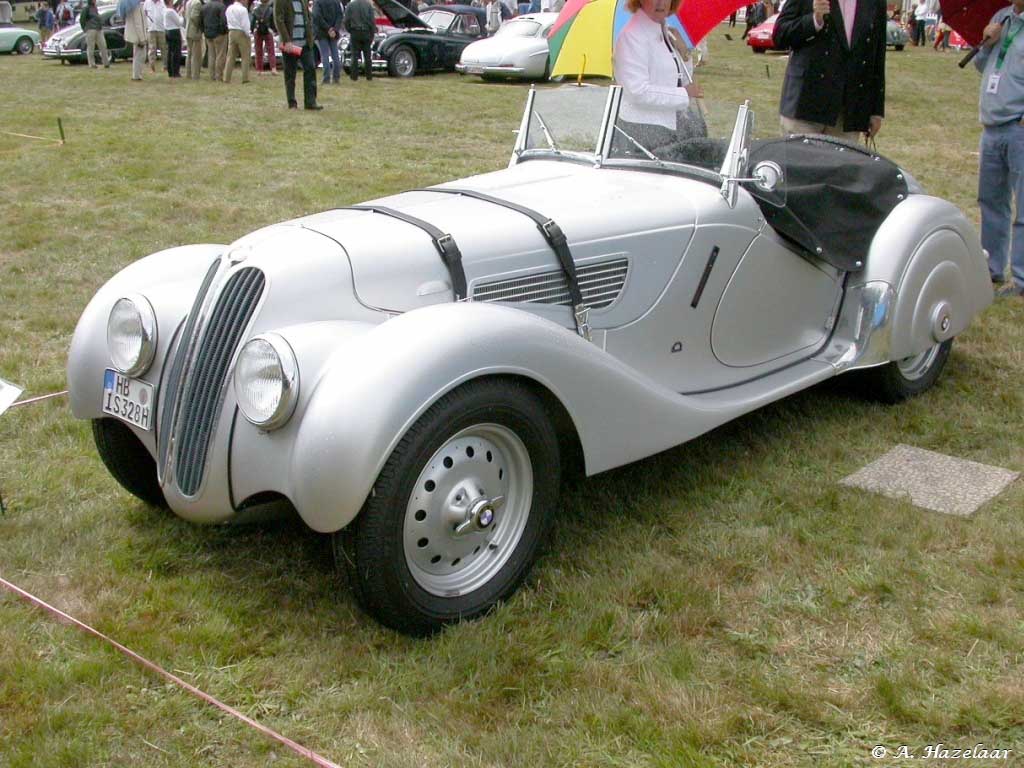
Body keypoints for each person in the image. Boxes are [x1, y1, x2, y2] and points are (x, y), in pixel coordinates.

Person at [774, 0, 886, 141]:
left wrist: (876, 111)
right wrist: (815, 19)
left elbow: (877, 54)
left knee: (841, 163)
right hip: (805, 104)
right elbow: (780, 34)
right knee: (799, 162)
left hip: (847, 111)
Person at [613, 0, 706, 161]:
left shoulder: (666, 32)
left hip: (669, 127)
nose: (661, 3)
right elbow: (638, 92)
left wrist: (684, 54)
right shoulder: (632, 36)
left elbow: (679, 79)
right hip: (642, 133)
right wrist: (684, 94)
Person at [973, 0, 1024, 296]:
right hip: (992, 126)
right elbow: (982, 66)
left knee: (1023, 208)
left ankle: (1021, 279)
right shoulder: (1001, 17)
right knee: (991, 201)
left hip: (1018, 127)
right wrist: (986, 41)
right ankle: (991, 269)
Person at [275, 0, 321, 107]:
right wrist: (287, 40)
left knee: (310, 69)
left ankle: (311, 102)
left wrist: (310, 35)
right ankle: (292, 102)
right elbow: (279, 20)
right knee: (290, 74)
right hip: (290, 44)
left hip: (305, 43)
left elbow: (308, 16)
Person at [312, 0, 342, 84]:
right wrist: (334, 29)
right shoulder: (336, 1)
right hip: (333, 33)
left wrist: (328, 28)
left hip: (322, 32)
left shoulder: (317, 2)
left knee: (324, 55)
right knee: (335, 55)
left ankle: (326, 78)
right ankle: (336, 77)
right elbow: (340, 15)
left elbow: (317, 16)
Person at [344, 0, 375, 80]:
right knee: (368, 56)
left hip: (355, 31)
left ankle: (354, 76)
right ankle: (369, 76)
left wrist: (350, 30)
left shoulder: (350, 5)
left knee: (354, 55)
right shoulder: (368, 5)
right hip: (366, 32)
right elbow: (372, 20)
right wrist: (372, 33)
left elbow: (346, 20)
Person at [119, 0, 148, 79]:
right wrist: (142, 38)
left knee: (138, 55)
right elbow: (138, 24)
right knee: (139, 55)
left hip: (136, 34)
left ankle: (137, 74)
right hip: (137, 35)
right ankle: (136, 75)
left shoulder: (134, 7)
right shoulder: (136, 8)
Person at [199, 0, 228, 80]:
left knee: (211, 55)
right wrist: (224, 31)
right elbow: (223, 21)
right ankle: (219, 75)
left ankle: (212, 75)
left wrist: (204, 31)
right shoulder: (221, 6)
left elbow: (200, 21)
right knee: (220, 55)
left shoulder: (204, 7)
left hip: (208, 34)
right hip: (219, 34)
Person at [224, 0, 251, 82]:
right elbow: (245, 24)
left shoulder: (229, 8)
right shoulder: (243, 10)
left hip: (231, 31)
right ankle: (245, 78)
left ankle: (226, 77)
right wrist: (248, 34)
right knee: (245, 56)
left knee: (230, 56)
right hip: (241, 32)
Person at [80, 0, 110, 66]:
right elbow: (82, 19)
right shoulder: (86, 9)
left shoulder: (95, 8)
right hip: (90, 29)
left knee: (103, 46)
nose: (95, 1)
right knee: (91, 47)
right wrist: (85, 29)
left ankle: (106, 62)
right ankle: (92, 64)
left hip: (98, 29)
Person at [251, 0, 277, 73]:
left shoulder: (255, 10)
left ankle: (259, 69)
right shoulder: (271, 10)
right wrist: (274, 30)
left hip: (258, 31)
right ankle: (273, 68)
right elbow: (273, 21)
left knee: (258, 51)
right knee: (271, 50)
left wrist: (252, 29)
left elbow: (253, 22)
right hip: (268, 30)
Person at [144, 0, 166, 72]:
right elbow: (145, 14)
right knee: (152, 48)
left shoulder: (163, 2)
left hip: (161, 28)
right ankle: (152, 67)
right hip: (151, 29)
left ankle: (165, 66)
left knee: (164, 48)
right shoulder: (147, 3)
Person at [184, 0, 204, 78]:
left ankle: (188, 73)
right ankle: (195, 74)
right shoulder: (197, 3)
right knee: (196, 55)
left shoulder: (188, 2)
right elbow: (194, 16)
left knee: (189, 54)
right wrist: (199, 26)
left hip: (188, 30)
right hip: (194, 31)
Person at [163, 0, 183, 75]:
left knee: (170, 51)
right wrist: (180, 15)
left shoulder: (165, 10)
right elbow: (179, 22)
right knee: (176, 52)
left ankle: (170, 70)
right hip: (174, 31)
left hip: (168, 31)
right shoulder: (171, 11)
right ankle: (175, 71)